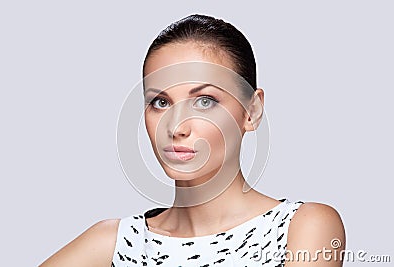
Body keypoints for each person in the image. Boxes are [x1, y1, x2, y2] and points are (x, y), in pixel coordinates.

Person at [40, 14, 345, 267]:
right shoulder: (115, 242)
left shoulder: (302, 226)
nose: (175, 127)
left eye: (204, 101)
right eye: (160, 102)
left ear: (251, 112)